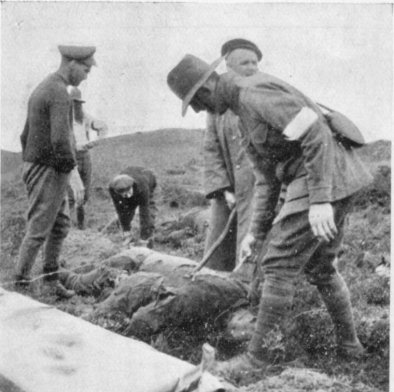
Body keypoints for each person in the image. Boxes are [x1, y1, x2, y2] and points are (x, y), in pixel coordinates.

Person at [167, 54, 372, 371]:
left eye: (198, 100)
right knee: (320, 267)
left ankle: (257, 359)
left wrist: (320, 200)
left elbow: (315, 132)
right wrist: (255, 232)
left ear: (209, 83)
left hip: (324, 176)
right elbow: (266, 180)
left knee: (278, 262)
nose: (200, 110)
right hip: (334, 179)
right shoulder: (240, 113)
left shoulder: (254, 93)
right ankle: (350, 347)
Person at [15, 45, 97, 298]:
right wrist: (74, 177)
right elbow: (61, 141)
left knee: (60, 224)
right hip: (48, 169)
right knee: (39, 227)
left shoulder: (45, 88)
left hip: (44, 166)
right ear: (71, 63)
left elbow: (24, 135)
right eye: (85, 69)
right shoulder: (59, 93)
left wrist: (31, 163)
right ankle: (20, 288)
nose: (86, 75)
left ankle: (51, 281)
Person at [203, 39, 261, 272]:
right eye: (245, 63)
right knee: (219, 238)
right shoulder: (217, 104)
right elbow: (211, 147)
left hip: (258, 184)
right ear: (229, 67)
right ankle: (215, 286)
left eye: (255, 62)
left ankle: (246, 289)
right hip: (228, 185)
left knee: (251, 237)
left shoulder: (262, 94)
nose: (252, 67)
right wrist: (223, 188)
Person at [68, 87, 108, 230]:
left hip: (84, 156)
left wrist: (100, 134)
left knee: (85, 193)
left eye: (77, 103)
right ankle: (69, 228)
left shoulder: (83, 116)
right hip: (70, 157)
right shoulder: (62, 118)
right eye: (72, 102)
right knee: (73, 193)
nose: (74, 105)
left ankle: (81, 226)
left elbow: (99, 125)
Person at [108, 166, 157, 245]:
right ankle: (128, 234)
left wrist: (143, 238)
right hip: (130, 174)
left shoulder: (142, 186)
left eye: (128, 192)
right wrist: (126, 229)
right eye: (123, 194)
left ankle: (148, 236)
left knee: (149, 211)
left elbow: (144, 212)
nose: (126, 195)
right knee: (127, 209)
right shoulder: (112, 189)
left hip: (147, 178)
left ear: (131, 187)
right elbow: (120, 209)